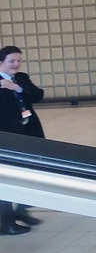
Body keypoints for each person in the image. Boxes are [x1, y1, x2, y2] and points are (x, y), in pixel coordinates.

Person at [0, 46, 45, 235]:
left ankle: (21, 209)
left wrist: (17, 88)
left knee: (33, 173)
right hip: (7, 136)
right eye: (12, 61)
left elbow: (38, 95)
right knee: (7, 179)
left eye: (19, 60)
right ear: (1, 62)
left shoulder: (22, 78)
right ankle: (6, 222)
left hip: (28, 132)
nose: (16, 64)